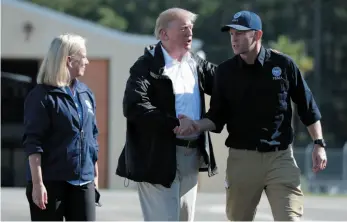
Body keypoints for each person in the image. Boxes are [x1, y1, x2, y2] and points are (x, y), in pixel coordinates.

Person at [177, 10, 328, 221]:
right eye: (231, 34)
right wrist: (195, 125)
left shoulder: (283, 65)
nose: (234, 38)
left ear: (257, 35)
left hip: (280, 158)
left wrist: (319, 144)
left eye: (239, 33)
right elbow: (217, 117)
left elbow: (307, 107)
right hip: (242, 160)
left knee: (290, 218)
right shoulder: (225, 72)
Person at [115, 7, 218, 221]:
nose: (189, 33)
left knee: (184, 218)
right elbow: (134, 106)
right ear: (164, 34)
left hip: (191, 156)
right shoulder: (146, 66)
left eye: (191, 29)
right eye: (183, 29)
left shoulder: (196, 64)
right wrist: (174, 124)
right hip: (157, 157)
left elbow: (226, 84)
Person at [23, 33, 100, 221]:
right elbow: (33, 143)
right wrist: (37, 183)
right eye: (83, 56)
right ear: (68, 60)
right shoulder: (41, 96)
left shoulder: (85, 93)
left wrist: (94, 178)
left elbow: (92, 137)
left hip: (84, 181)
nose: (87, 61)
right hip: (51, 182)